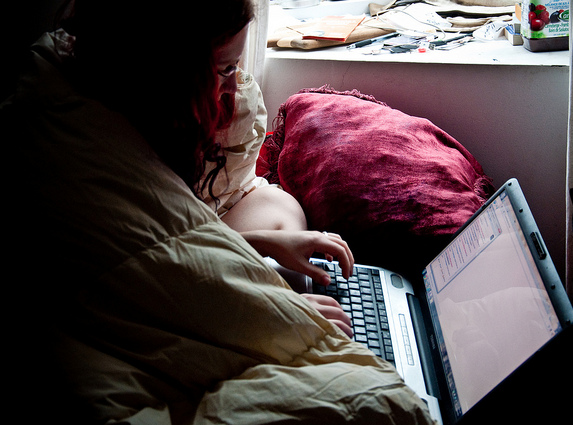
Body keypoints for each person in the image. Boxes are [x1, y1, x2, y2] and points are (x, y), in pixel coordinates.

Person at [61, 0, 355, 335]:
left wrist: (264, 241)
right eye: (224, 69)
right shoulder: (94, 141)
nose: (234, 86)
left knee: (279, 206)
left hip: (187, 244)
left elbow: (178, 234)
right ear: (166, 66)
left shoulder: (152, 103)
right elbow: (146, 270)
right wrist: (267, 307)